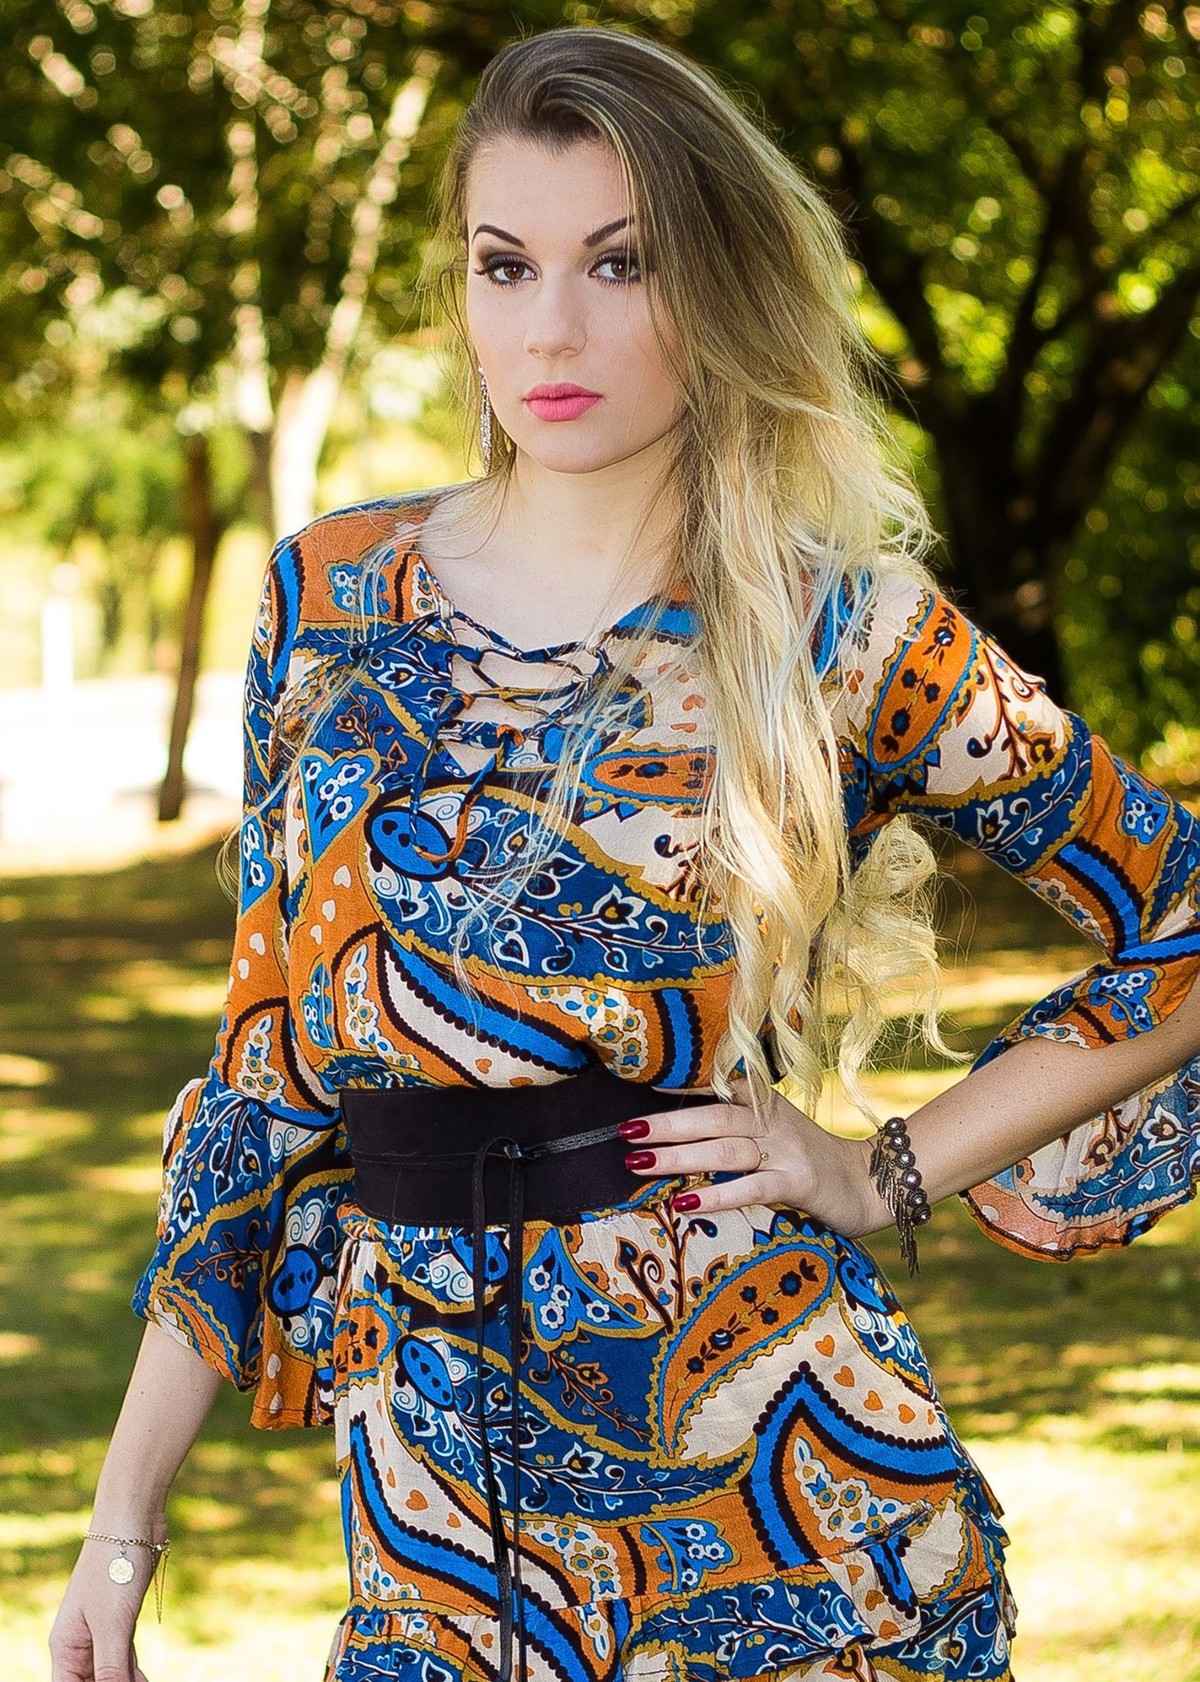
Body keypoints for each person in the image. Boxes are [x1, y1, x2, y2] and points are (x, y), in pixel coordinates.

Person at [51, 24, 1200, 1682]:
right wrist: (122, 1522)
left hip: (786, 1512)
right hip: (430, 1522)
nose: (552, 328)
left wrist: (881, 1169)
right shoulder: (325, 603)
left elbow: (1178, 908)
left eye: (620, 262)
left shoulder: (838, 628)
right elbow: (263, 1081)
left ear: (714, 286)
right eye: (505, 265)